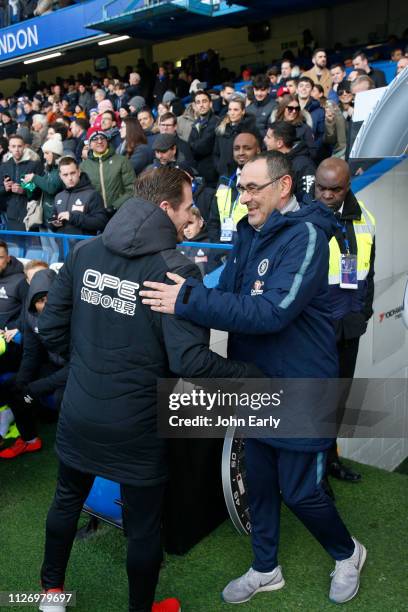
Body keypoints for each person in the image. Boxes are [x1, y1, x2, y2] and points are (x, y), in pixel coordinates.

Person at [140, 152, 367, 607]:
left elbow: (273, 313)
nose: (243, 198)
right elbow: (226, 293)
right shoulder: (247, 231)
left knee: (302, 491)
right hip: (255, 383)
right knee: (259, 483)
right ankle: (266, 568)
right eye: (241, 188)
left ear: (283, 187)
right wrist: (187, 284)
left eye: (252, 188)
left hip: (303, 386)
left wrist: (188, 299)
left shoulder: (305, 235)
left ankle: (347, 554)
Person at [37, 166, 260, 612]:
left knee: (66, 501)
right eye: (186, 206)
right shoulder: (175, 269)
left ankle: (50, 595)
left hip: (81, 409)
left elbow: (49, 329)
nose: (189, 216)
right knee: (142, 528)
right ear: (164, 207)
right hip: (137, 424)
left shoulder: (84, 252)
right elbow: (190, 362)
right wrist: (252, 375)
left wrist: (86, 366)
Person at [314, 158, 375, 483]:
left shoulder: (365, 217)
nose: (326, 195)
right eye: (320, 188)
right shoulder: (303, 221)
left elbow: (369, 272)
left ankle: (331, 460)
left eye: (334, 189)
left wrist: (362, 315)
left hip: (349, 326)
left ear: (347, 186)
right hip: (316, 329)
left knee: (338, 398)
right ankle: (315, 472)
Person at [0, 269, 68, 459]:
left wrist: (36, 388)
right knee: (13, 386)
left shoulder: (74, 315)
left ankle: (74, 453)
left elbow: (78, 364)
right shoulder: (30, 315)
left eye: (49, 299)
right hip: (52, 367)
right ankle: (29, 440)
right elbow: (31, 354)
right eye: (40, 301)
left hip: (78, 373)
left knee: (65, 399)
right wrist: (23, 383)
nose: (45, 305)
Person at [207, 130, 261, 243]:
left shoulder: (264, 181)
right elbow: (213, 220)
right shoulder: (225, 179)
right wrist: (218, 247)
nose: (241, 152)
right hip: (222, 247)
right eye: (236, 148)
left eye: (247, 148)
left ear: (258, 150)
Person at [50, 156, 108, 235]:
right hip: (63, 245)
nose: (70, 178)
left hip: (84, 245)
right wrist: (53, 223)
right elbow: (52, 221)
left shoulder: (92, 195)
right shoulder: (59, 197)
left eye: (72, 173)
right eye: (65, 175)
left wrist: (72, 217)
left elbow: (101, 222)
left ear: (79, 172)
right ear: (60, 176)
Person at [80, 131, 135, 214]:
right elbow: (82, 193)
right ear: (90, 145)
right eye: (95, 139)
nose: (99, 141)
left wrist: (115, 206)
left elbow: (132, 188)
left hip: (120, 211)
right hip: (96, 214)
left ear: (107, 141)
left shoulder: (121, 161)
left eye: (102, 138)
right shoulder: (83, 166)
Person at [0, 134, 43, 230]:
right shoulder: (4, 166)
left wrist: (23, 190)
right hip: (10, 213)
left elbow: (39, 190)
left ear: (24, 147)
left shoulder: (35, 165)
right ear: (9, 148)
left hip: (30, 213)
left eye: (19, 146)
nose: (17, 149)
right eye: (13, 146)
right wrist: (5, 188)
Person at [264, 121, 315, 199]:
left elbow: (308, 200)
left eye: (268, 137)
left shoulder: (304, 165)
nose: (265, 140)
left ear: (279, 143)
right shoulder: (273, 161)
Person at [21, 137, 64, 227]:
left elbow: (51, 188)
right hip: (44, 217)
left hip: (54, 218)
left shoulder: (61, 170)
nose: (44, 156)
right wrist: (29, 186)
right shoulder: (49, 170)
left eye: (47, 153)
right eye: (44, 153)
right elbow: (41, 189)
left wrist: (34, 177)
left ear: (56, 154)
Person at [0, 239, 27, 374]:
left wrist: (11, 329)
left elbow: (29, 312)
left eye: (0, 257)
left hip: (8, 339)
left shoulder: (20, 281)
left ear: (8, 258)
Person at [214, 96, 257, 178]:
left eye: (235, 110)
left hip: (244, 175)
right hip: (223, 175)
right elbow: (216, 152)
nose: (232, 113)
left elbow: (257, 152)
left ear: (243, 111)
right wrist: (219, 167)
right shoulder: (221, 128)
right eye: (230, 109)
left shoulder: (251, 129)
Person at [188, 90, 219, 187]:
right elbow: (189, 147)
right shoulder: (195, 124)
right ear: (194, 106)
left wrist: (194, 146)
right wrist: (194, 146)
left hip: (213, 174)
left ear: (210, 104)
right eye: (198, 102)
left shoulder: (216, 121)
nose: (201, 105)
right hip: (199, 172)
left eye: (204, 101)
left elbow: (203, 147)